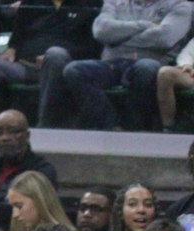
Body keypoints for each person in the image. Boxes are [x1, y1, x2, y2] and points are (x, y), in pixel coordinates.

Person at [61, 0, 190, 132]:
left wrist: (118, 37)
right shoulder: (114, 2)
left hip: (148, 62)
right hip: (111, 63)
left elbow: (164, 38)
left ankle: (135, 129)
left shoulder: (179, 5)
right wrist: (143, 25)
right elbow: (100, 31)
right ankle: (111, 126)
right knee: (74, 70)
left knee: (146, 67)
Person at [0, 0, 92, 125]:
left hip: (63, 67)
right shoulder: (32, 2)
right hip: (25, 65)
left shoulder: (88, 4)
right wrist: (12, 49)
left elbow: (91, 46)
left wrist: (56, 56)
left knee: (55, 55)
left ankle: (45, 126)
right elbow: (18, 35)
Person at [0, 111, 58, 229]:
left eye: (13, 131)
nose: (5, 138)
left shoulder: (42, 171)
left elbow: (24, 210)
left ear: (27, 135)